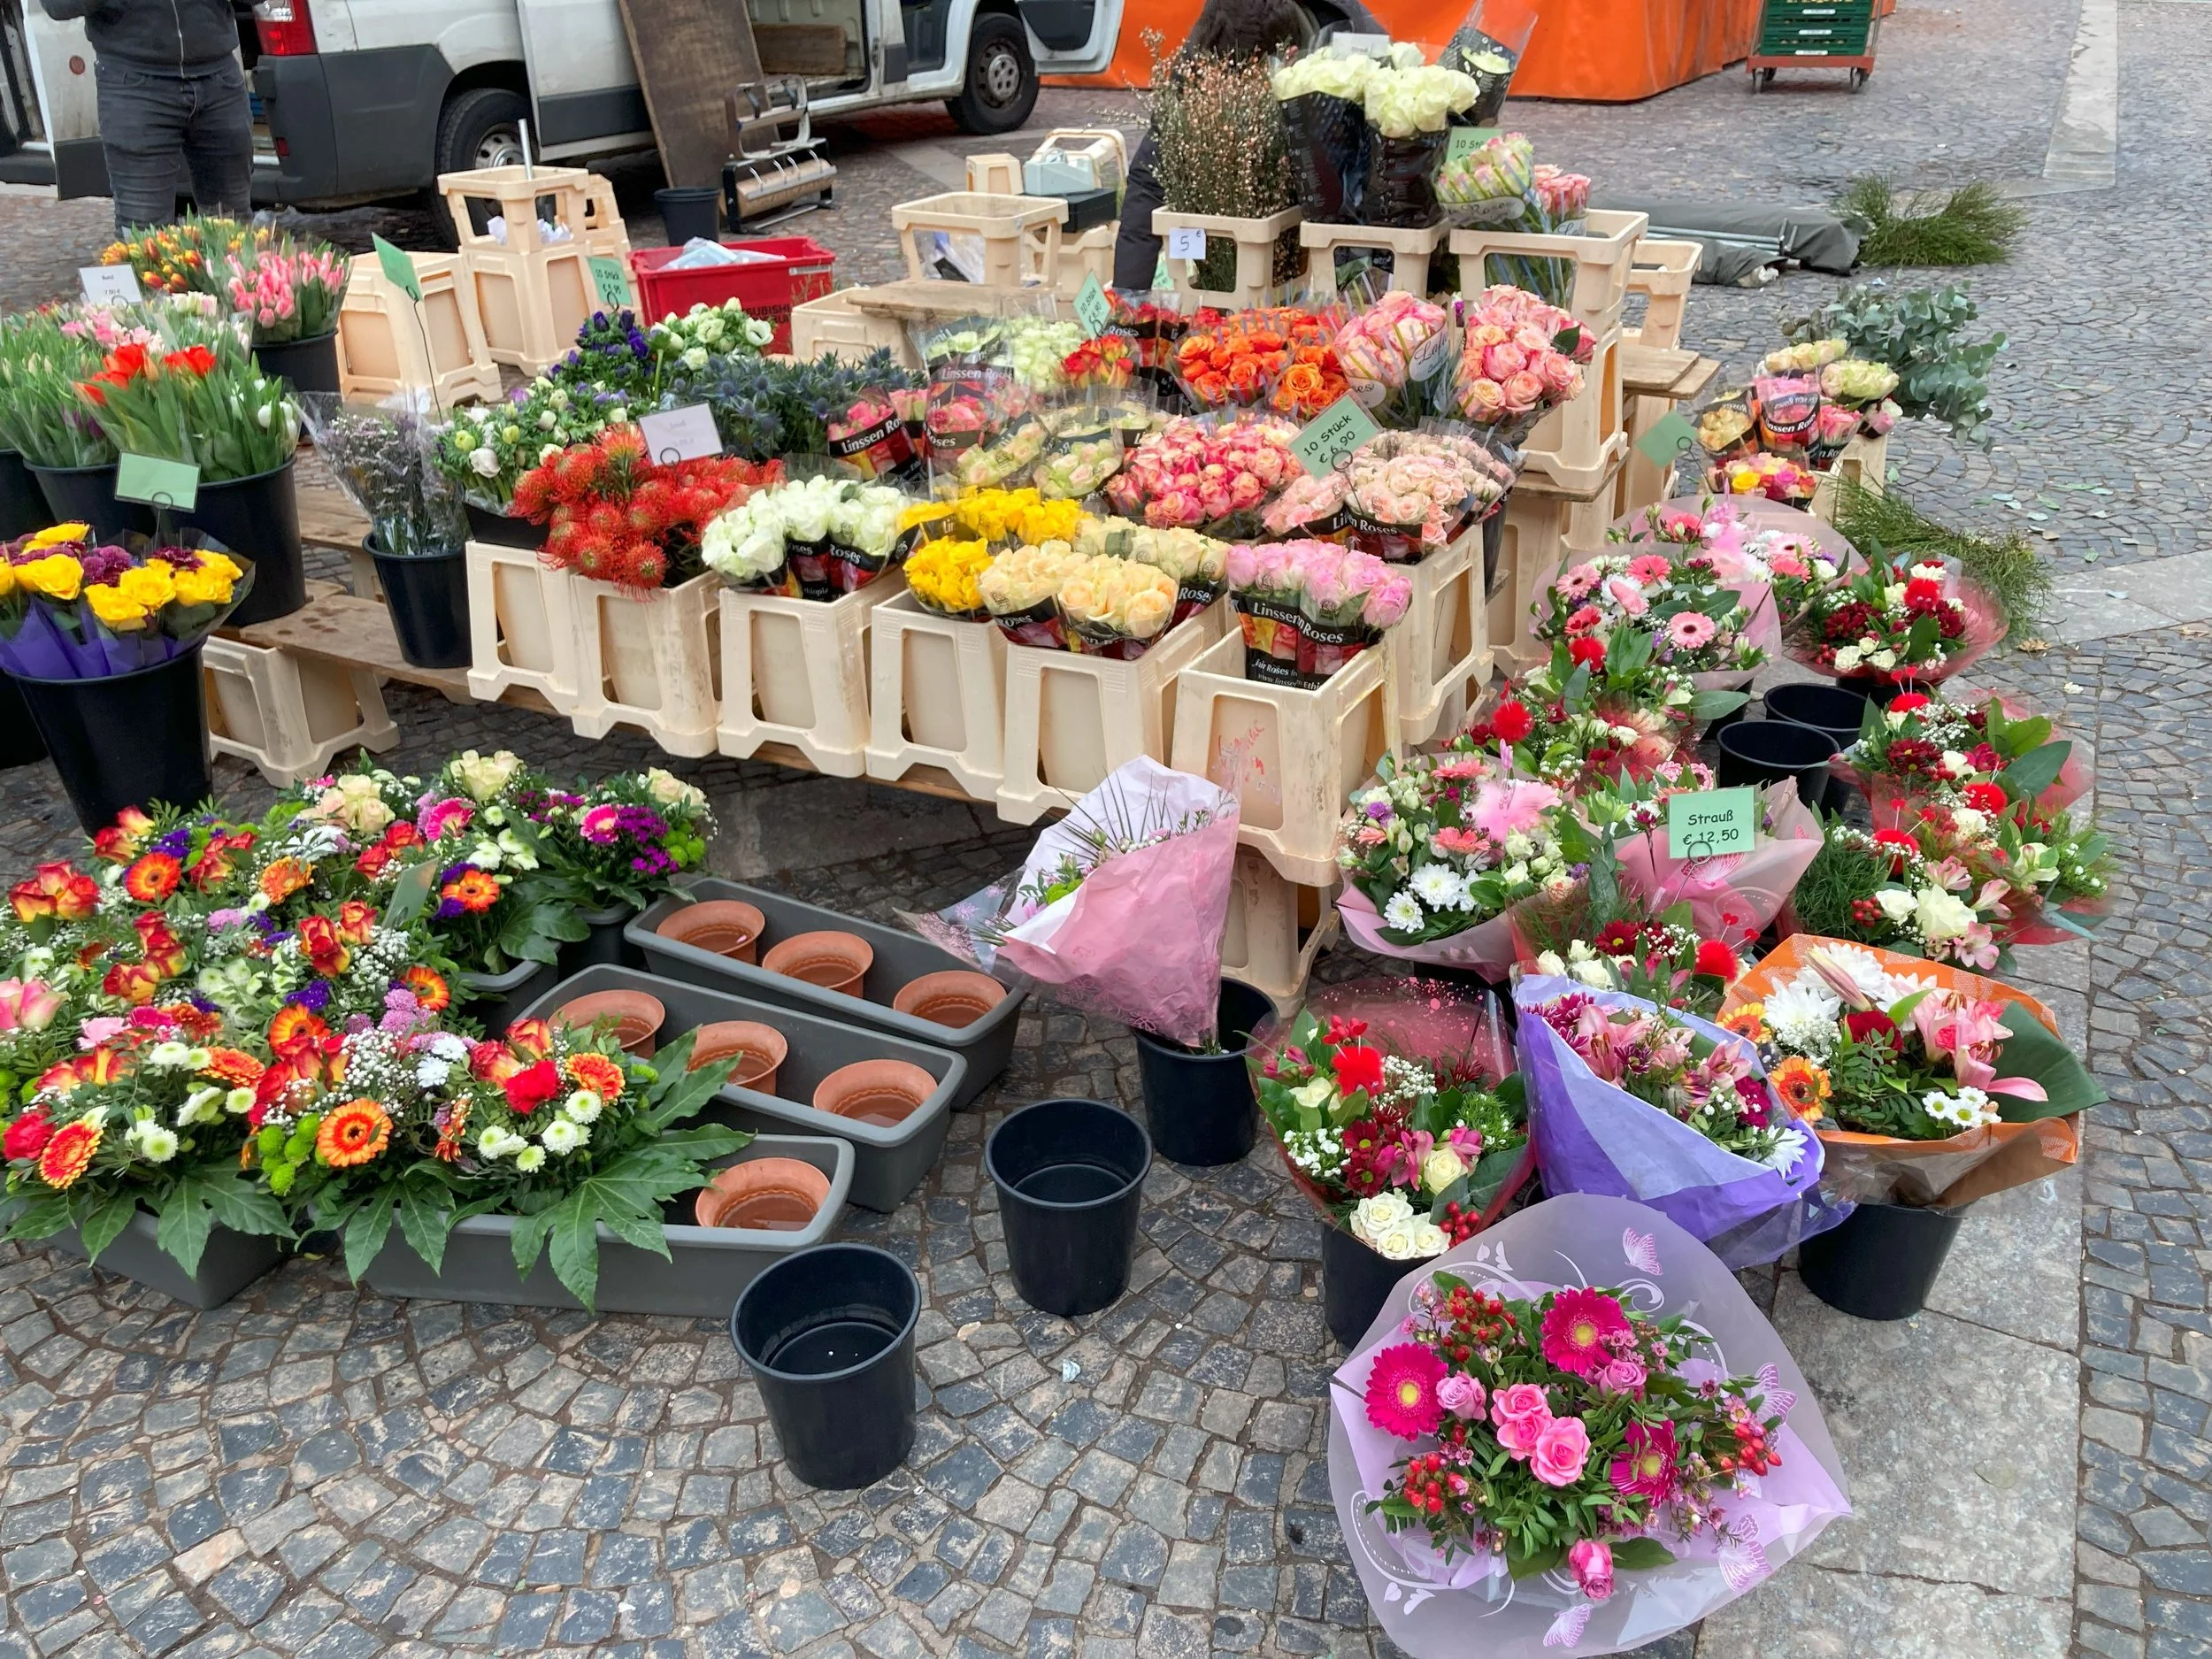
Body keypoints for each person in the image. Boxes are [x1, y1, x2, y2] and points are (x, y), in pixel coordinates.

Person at [1111, 0, 1380, 292]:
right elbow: (1149, 180)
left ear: (1285, 56)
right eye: (1225, 81)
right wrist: (1129, 304)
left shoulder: (1356, 43)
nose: (1233, 96)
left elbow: (1370, 183)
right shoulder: (1206, 52)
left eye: (1247, 80)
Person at [42, 0, 255, 235]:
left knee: (233, 229)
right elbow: (57, 6)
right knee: (144, 235)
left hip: (219, 79)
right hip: (135, 84)